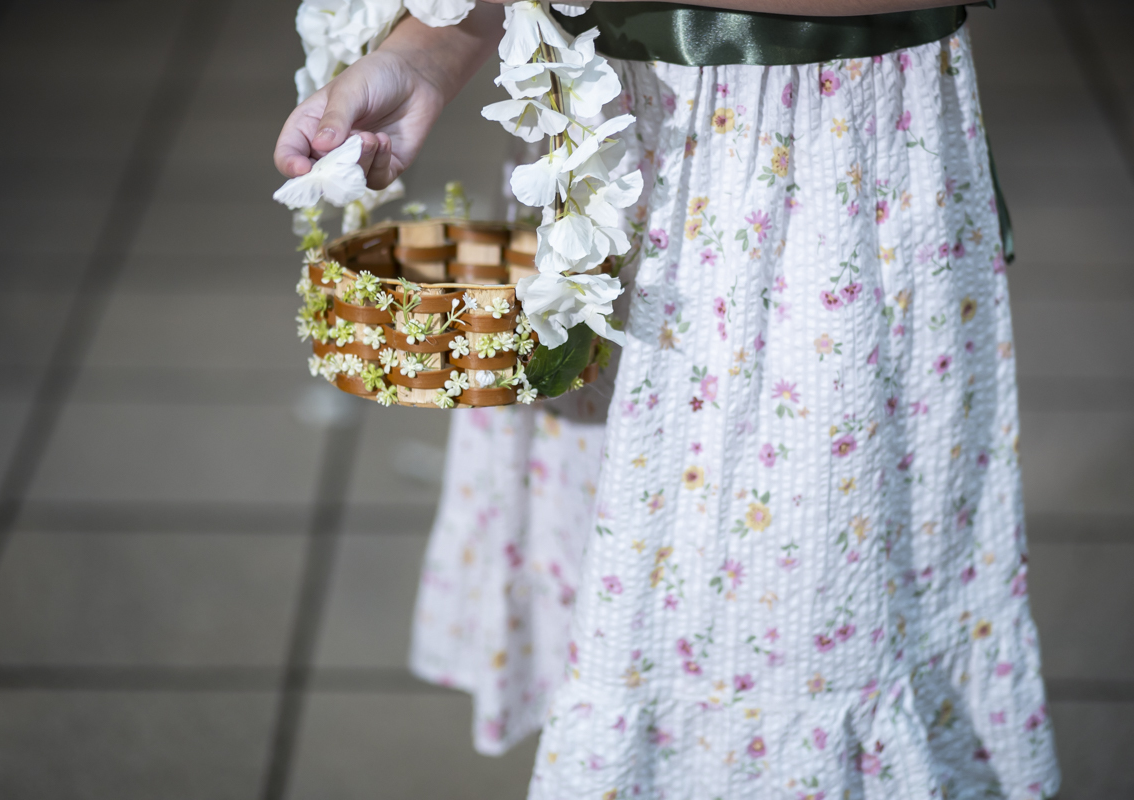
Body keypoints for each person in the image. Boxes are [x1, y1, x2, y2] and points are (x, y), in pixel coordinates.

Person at [274, 2, 1060, 798]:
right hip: (620, 151)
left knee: (789, 595)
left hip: (811, 183)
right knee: (633, 581)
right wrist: (427, 52)